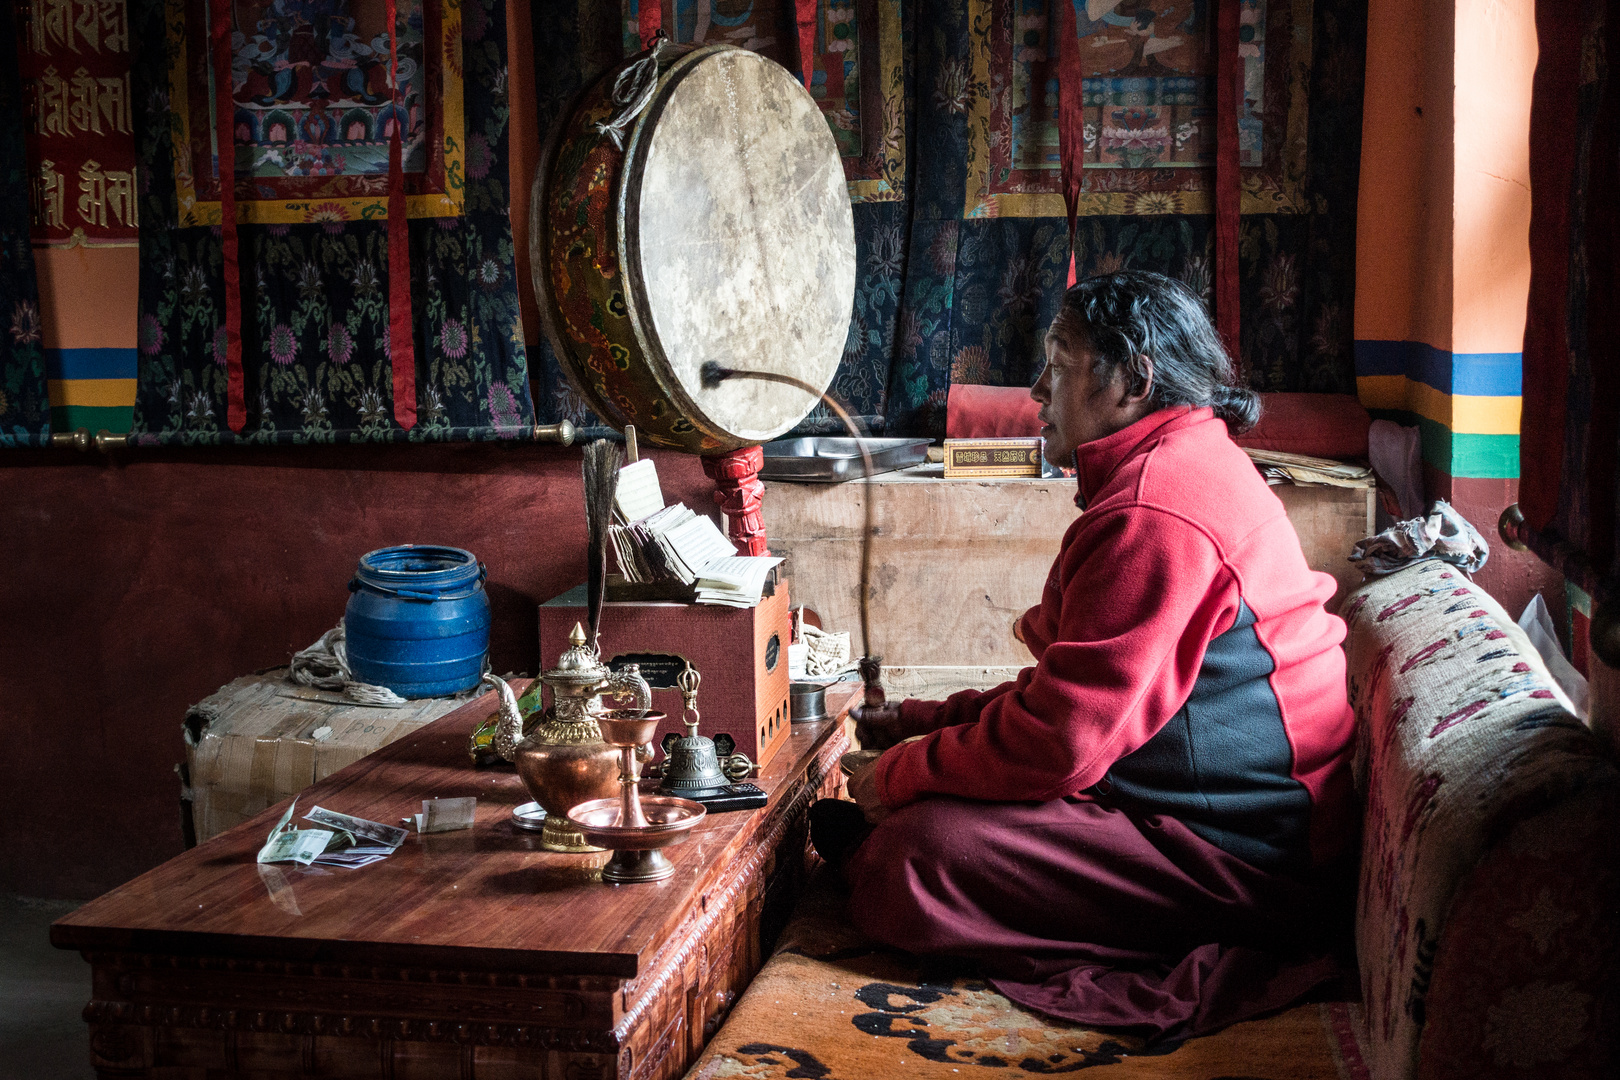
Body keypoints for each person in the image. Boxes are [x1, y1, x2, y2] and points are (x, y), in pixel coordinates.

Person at [811, 270, 1357, 1042]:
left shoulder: (1156, 508)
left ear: (1133, 380)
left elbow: (1063, 743)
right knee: (925, 816)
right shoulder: (1177, 465)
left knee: (914, 859)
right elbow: (1070, 694)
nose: (1037, 389)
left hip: (1250, 862)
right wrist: (914, 722)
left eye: (1059, 362)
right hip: (1201, 810)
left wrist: (898, 774)